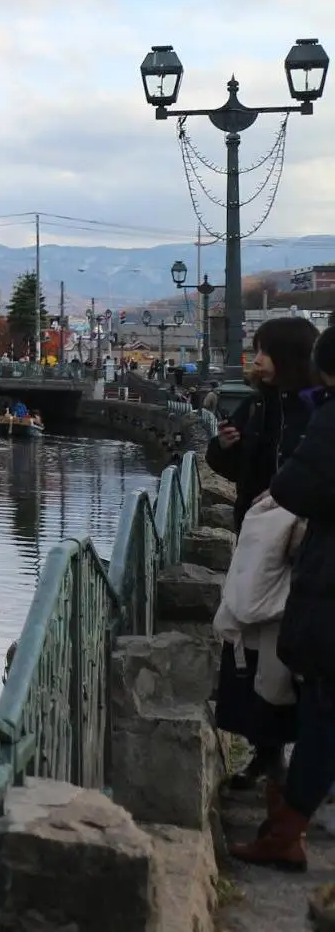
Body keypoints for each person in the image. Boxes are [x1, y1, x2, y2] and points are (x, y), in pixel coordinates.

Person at [231, 324, 335, 869]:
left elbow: (295, 487)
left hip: (324, 575)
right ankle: (287, 822)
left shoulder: (326, 417)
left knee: (321, 700)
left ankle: (286, 830)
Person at [208, 316, 322, 791]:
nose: (255, 361)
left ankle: (311, 765)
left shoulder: (317, 411)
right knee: (255, 649)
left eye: (263, 352)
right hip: (260, 549)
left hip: (307, 554)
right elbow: (232, 469)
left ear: (290, 358)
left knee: (299, 656)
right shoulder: (259, 407)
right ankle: (265, 752)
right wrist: (224, 447)